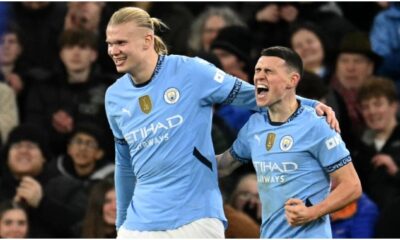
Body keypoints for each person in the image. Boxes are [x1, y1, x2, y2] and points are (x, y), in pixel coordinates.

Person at [105, 7, 339, 238]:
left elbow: (253, 96)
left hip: (196, 217)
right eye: (109, 43)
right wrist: (122, 224)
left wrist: (307, 105)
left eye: (121, 43)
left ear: (147, 40)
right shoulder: (114, 97)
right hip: (139, 225)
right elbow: (124, 165)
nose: (113, 51)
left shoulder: (191, 72)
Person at [217, 46, 361, 238]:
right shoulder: (254, 125)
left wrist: (312, 212)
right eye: (257, 71)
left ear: (292, 81)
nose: (259, 76)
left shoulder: (316, 125)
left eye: (268, 71)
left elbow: (351, 186)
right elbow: (223, 166)